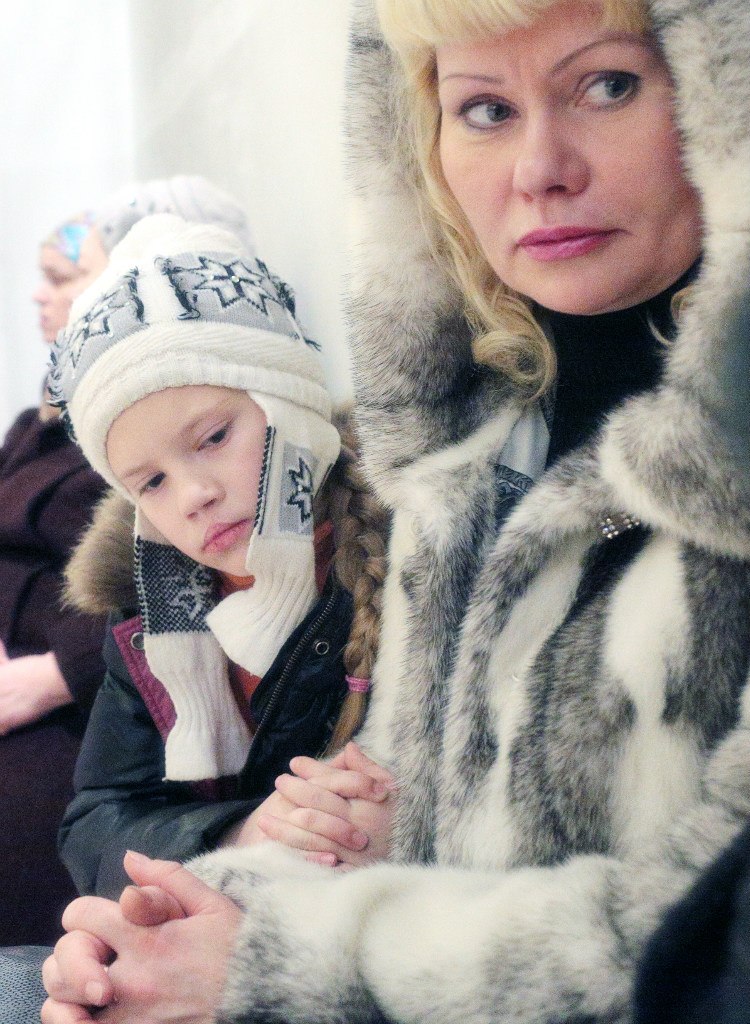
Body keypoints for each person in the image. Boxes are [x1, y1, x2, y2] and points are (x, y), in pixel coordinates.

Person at [40, 0, 750, 1021]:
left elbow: (712, 945)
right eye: (485, 109)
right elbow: (404, 831)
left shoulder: (369, 527)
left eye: (608, 85)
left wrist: (278, 962)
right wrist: (164, 930)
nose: (540, 168)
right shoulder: (467, 473)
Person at [0, 176, 266, 946]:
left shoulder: (144, 468)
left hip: (57, 738)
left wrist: (45, 679)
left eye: (66, 277)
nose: (43, 298)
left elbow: (147, 593)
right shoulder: (39, 425)